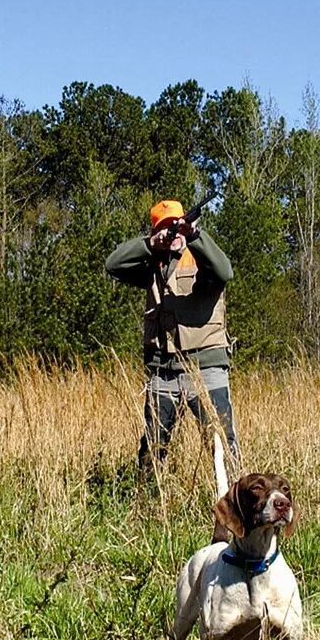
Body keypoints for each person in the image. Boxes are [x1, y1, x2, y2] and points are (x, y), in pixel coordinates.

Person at [105, 198, 237, 475]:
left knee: (221, 447)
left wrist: (194, 236)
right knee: (152, 449)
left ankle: (234, 510)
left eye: (176, 226)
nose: (173, 235)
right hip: (163, 371)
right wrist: (151, 245)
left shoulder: (202, 256)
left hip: (206, 369)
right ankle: (151, 507)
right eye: (165, 228)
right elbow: (112, 264)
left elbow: (225, 270)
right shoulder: (152, 265)